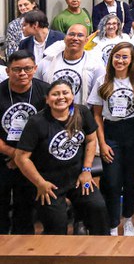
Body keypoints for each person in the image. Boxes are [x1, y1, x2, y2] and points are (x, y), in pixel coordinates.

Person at [15, 79, 109, 235]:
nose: (61, 97)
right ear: (47, 99)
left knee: (97, 206)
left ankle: (100, 252)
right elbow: (21, 157)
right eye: (55, 94)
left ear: (72, 96)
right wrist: (40, 183)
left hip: (79, 179)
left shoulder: (82, 112)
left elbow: (91, 139)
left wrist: (86, 170)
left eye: (65, 93)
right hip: (49, 184)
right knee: (57, 225)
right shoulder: (37, 122)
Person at [88, 42, 134, 236]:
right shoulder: (102, 80)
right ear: (111, 58)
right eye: (117, 56)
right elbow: (96, 115)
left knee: (131, 181)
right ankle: (112, 223)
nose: (120, 60)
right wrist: (102, 144)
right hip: (111, 133)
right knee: (112, 181)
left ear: (132, 60)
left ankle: (128, 219)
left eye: (124, 57)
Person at [0, 51, 49, 234]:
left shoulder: (46, 91)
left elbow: (54, 128)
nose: (22, 73)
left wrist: (23, 158)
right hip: (4, 157)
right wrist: (15, 155)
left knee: (25, 207)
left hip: (34, 158)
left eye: (27, 68)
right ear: (7, 71)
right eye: (17, 69)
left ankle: (21, 246)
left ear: (35, 69)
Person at [35, 24, 106, 105]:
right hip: (50, 114)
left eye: (80, 35)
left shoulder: (96, 65)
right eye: (71, 34)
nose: (75, 38)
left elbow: (98, 99)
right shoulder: (47, 62)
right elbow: (36, 89)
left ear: (86, 40)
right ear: (65, 38)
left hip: (82, 115)